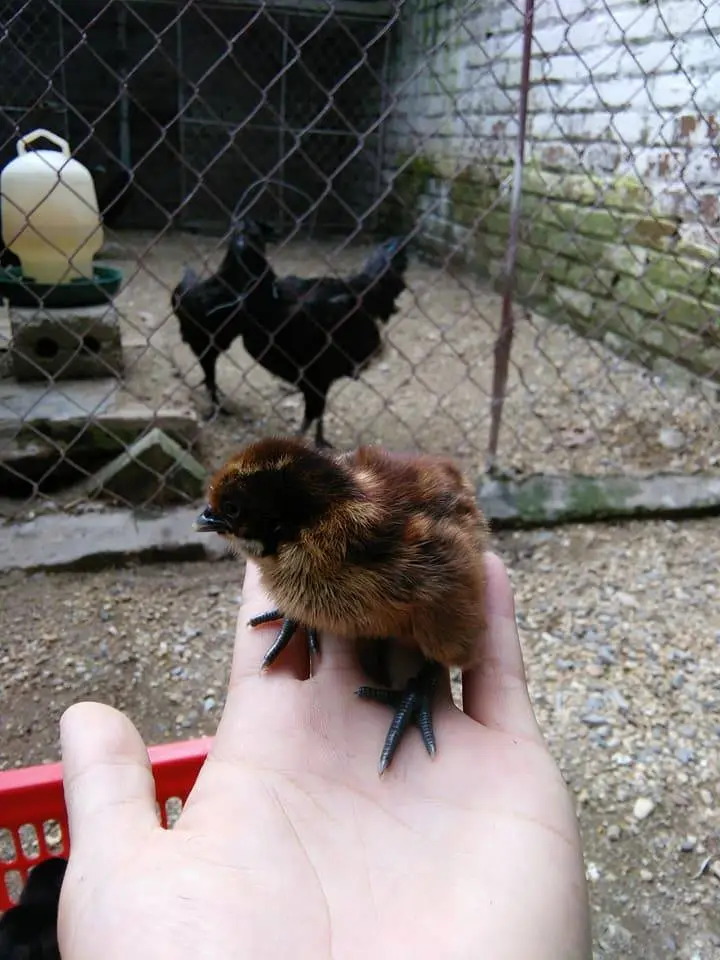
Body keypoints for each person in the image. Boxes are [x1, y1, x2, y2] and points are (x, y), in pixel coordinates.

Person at [57, 554, 592, 959]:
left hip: (389, 579)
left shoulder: (374, 553)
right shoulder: (310, 554)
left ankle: (413, 676)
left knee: (426, 609)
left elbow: (433, 585)